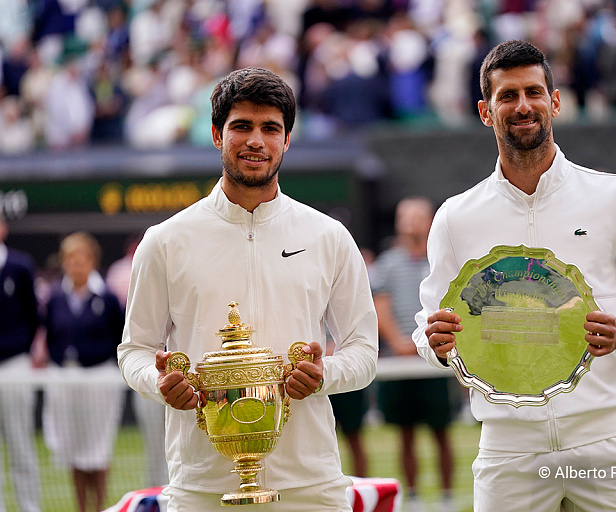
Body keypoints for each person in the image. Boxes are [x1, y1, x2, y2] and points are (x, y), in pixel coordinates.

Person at [414, 40, 616, 512]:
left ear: (555, 101)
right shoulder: (455, 217)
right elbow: (428, 327)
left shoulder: (614, 197)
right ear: (485, 111)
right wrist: (434, 344)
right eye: (507, 96)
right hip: (508, 449)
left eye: (534, 92)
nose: (523, 106)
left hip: (608, 437)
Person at [117, 67, 378, 512]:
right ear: (217, 134)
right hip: (202, 487)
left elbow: (363, 350)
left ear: (287, 140)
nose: (256, 140)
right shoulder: (165, 240)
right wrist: (159, 383)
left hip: (310, 485)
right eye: (242, 126)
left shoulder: (329, 236)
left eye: (270, 128)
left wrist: (323, 376)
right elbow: (134, 351)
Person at [373, 196, 456, 512]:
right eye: (404, 216)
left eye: (417, 216)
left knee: (442, 431)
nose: (410, 222)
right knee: (404, 434)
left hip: (435, 360)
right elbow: (381, 305)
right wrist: (401, 342)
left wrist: (428, 344)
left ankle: (447, 495)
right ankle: (415, 495)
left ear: (431, 219)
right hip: (399, 361)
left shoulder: (442, 260)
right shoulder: (386, 263)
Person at [43, 231, 125, 512]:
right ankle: (81, 507)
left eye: (82, 258)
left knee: (98, 448)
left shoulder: (108, 299)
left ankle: (100, 506)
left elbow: (119, 337)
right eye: (70, 258)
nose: (76, 264)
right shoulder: (55, 297)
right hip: (65, 381)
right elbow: (51, 336)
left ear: (92, 260)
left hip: (100, 380)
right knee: (74, 448)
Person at [105, 233, 169, 487]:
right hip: (152, 373)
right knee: (154, 445)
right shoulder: (120, 273)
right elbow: (133, 341)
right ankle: (155, 493)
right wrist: (151, 377)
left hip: (187, 379)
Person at [0, 213, 42, 512]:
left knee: (20, 442)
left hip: (15, 365)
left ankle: (29, 507)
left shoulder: (20, 265)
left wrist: (24, 352)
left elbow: (33, 316)